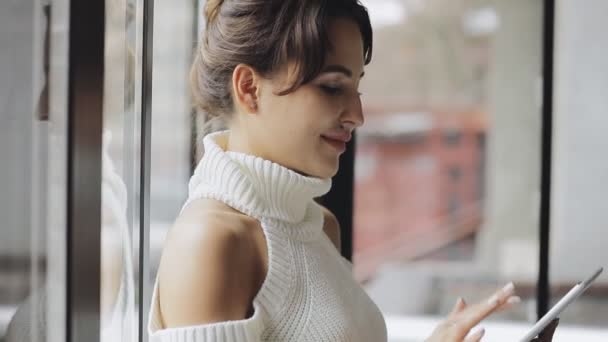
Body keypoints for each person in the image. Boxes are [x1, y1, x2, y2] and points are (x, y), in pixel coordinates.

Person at [148, 1, 520, 341]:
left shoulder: (319, 225)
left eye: (356, 88)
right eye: (331, 87)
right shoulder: (211, 240)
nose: (356, 116)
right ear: (249, 88)